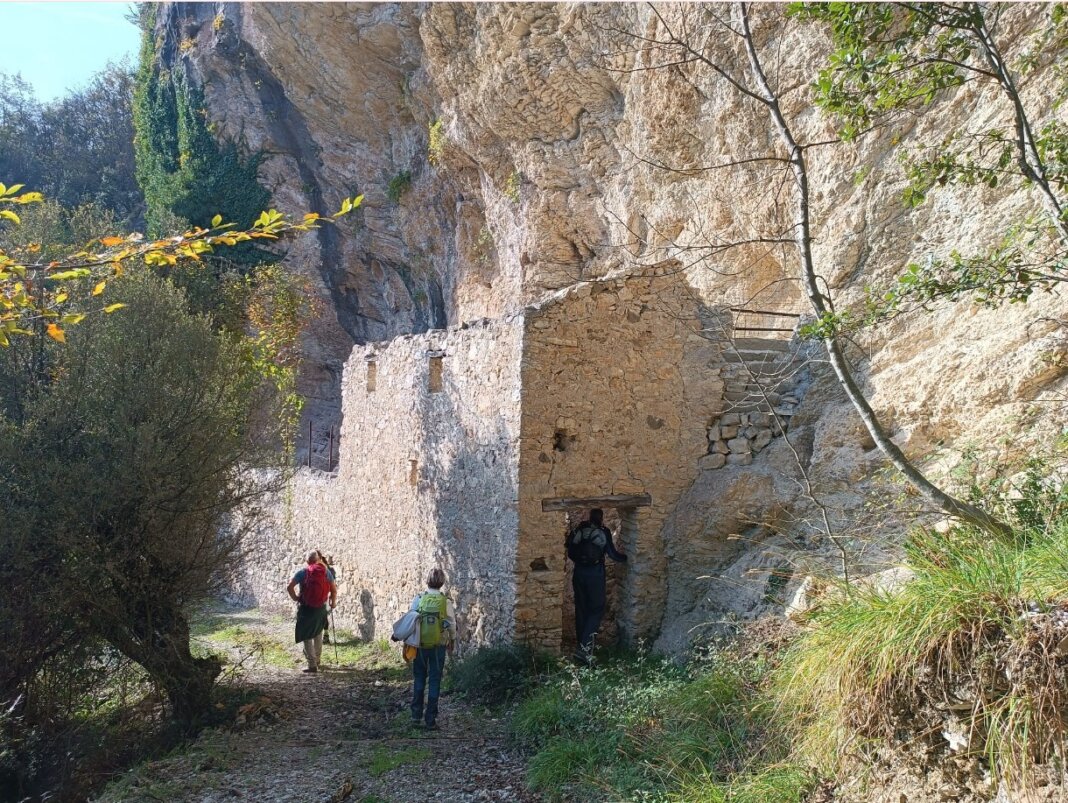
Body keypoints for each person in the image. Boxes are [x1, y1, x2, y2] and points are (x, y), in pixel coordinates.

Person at [566, 508, 627, 663]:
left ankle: (582, 646)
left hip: (579, 573)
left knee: (581, 609)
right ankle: (585, 650)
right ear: (601, 518)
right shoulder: (603, 531)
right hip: (595, 574)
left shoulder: (580, 529)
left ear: (589, 516)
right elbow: (613, 554)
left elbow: (570, 549)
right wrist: (627, 557)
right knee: (596, 609)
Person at [408, 568, 455, 729]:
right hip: (438, 646)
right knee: (435, 680)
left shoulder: (419, 598)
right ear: (442, 582)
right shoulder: (445, 602)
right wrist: (452, 640)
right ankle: (430, 720)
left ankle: (415, 716)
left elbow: (411, 619)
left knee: (419, 678)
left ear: (427, 580)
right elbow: (452, 624)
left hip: (420, 645)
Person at [286, 550, 337, 673]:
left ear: (307, 561)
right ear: (318, 560)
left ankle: (312, 664)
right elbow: (334, 590)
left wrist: (295, 598)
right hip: (321, 608)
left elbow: (289, 587)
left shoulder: (303, 573)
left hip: (306, 608)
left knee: (307, 636)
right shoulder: (326, 572)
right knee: (318, 633)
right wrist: (333, 602)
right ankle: (318, 661)